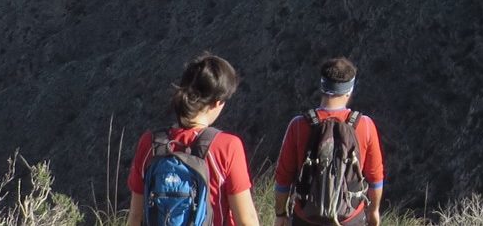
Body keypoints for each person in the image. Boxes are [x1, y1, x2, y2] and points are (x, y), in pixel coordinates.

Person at [129, 53, 261, 226]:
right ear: (217, 102)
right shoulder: (227, 146)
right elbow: (246, 220)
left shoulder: (150, 143)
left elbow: (136, 216)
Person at [273, 57, 385, 226]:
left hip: (305, 217)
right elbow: (375, 177)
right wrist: (373, 211)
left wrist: (280, 213)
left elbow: (283, 177)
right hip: (350, 218)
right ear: (349, 90)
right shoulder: (365, 125)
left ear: (322, 87)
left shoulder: (298, 125)